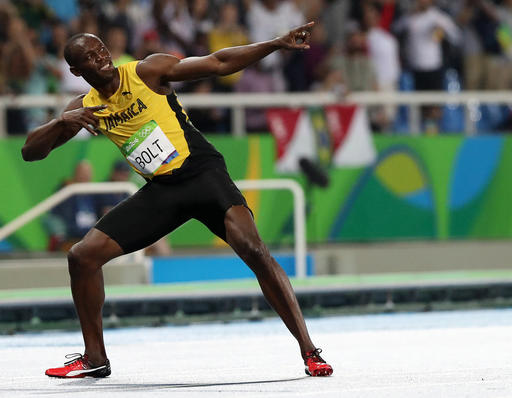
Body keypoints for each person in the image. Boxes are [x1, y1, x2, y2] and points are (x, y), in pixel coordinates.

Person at [21, 22, 333, 378]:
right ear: (77, 71)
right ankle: (95, 358)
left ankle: (310, 351)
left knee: (254, 249)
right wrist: (62, 121)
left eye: (102, 50)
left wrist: (276, 43)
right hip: (163, 191)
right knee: (81, 256)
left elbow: (218, 62)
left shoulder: (146, 71)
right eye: (90, 58)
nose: (101, 59)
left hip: (202, 174)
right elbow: (31, 152)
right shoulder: (86, 108)